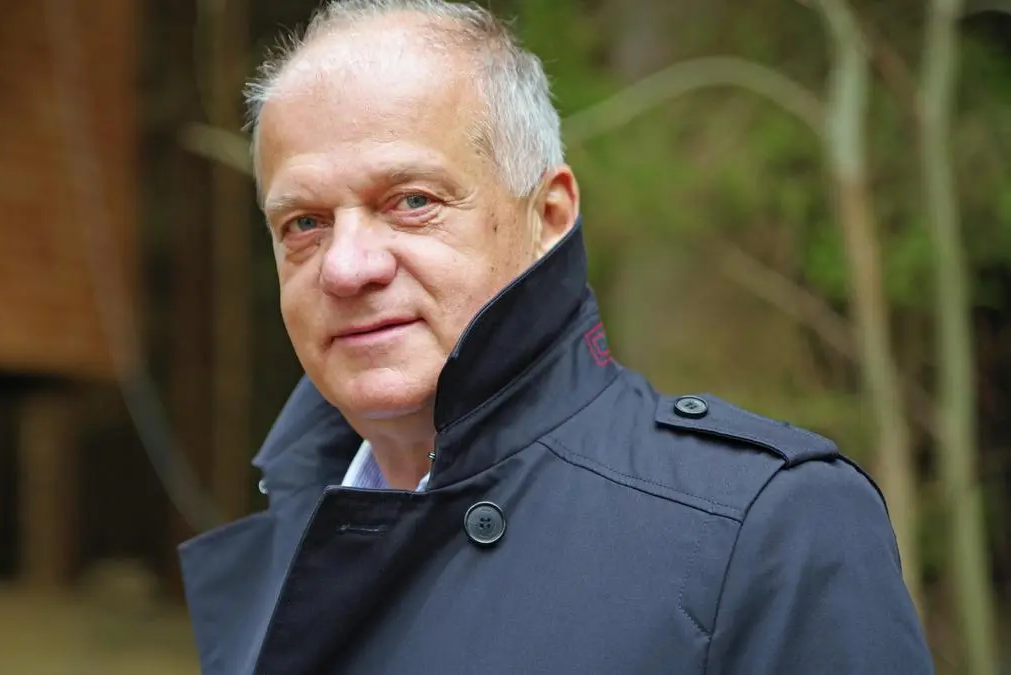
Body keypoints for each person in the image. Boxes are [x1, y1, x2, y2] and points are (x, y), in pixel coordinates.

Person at [178, 1, 935, 673]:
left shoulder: (762, 529)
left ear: (548, 217)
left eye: (411, 201)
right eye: (305, 223)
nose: (346, 267)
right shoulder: (289, 547)